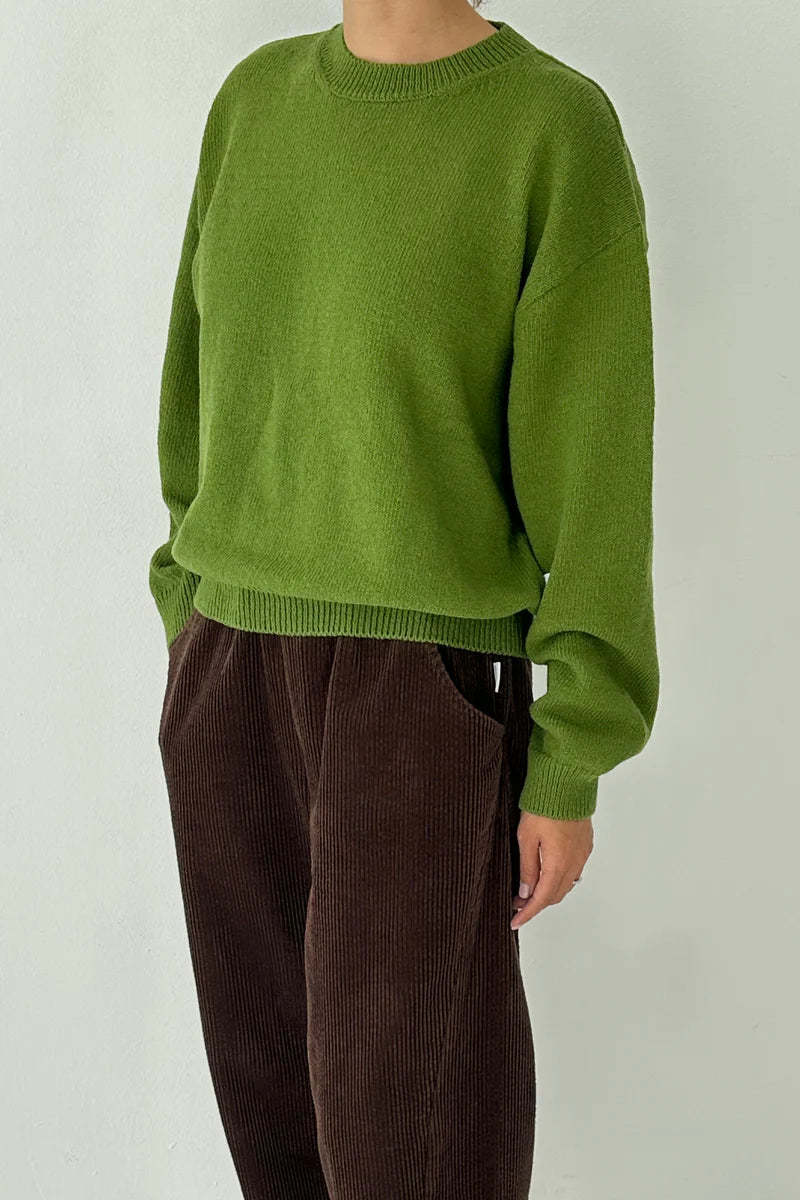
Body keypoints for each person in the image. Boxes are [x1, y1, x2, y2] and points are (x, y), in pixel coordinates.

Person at [149, 2, 659, 1196]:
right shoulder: (253, 100)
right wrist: (186, 604)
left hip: (419, 689)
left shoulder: (548, 126)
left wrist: (571, 748)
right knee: (273, 1123)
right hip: (230, 665)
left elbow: (593, 457)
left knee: (415, 1138)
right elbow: (194, 376)